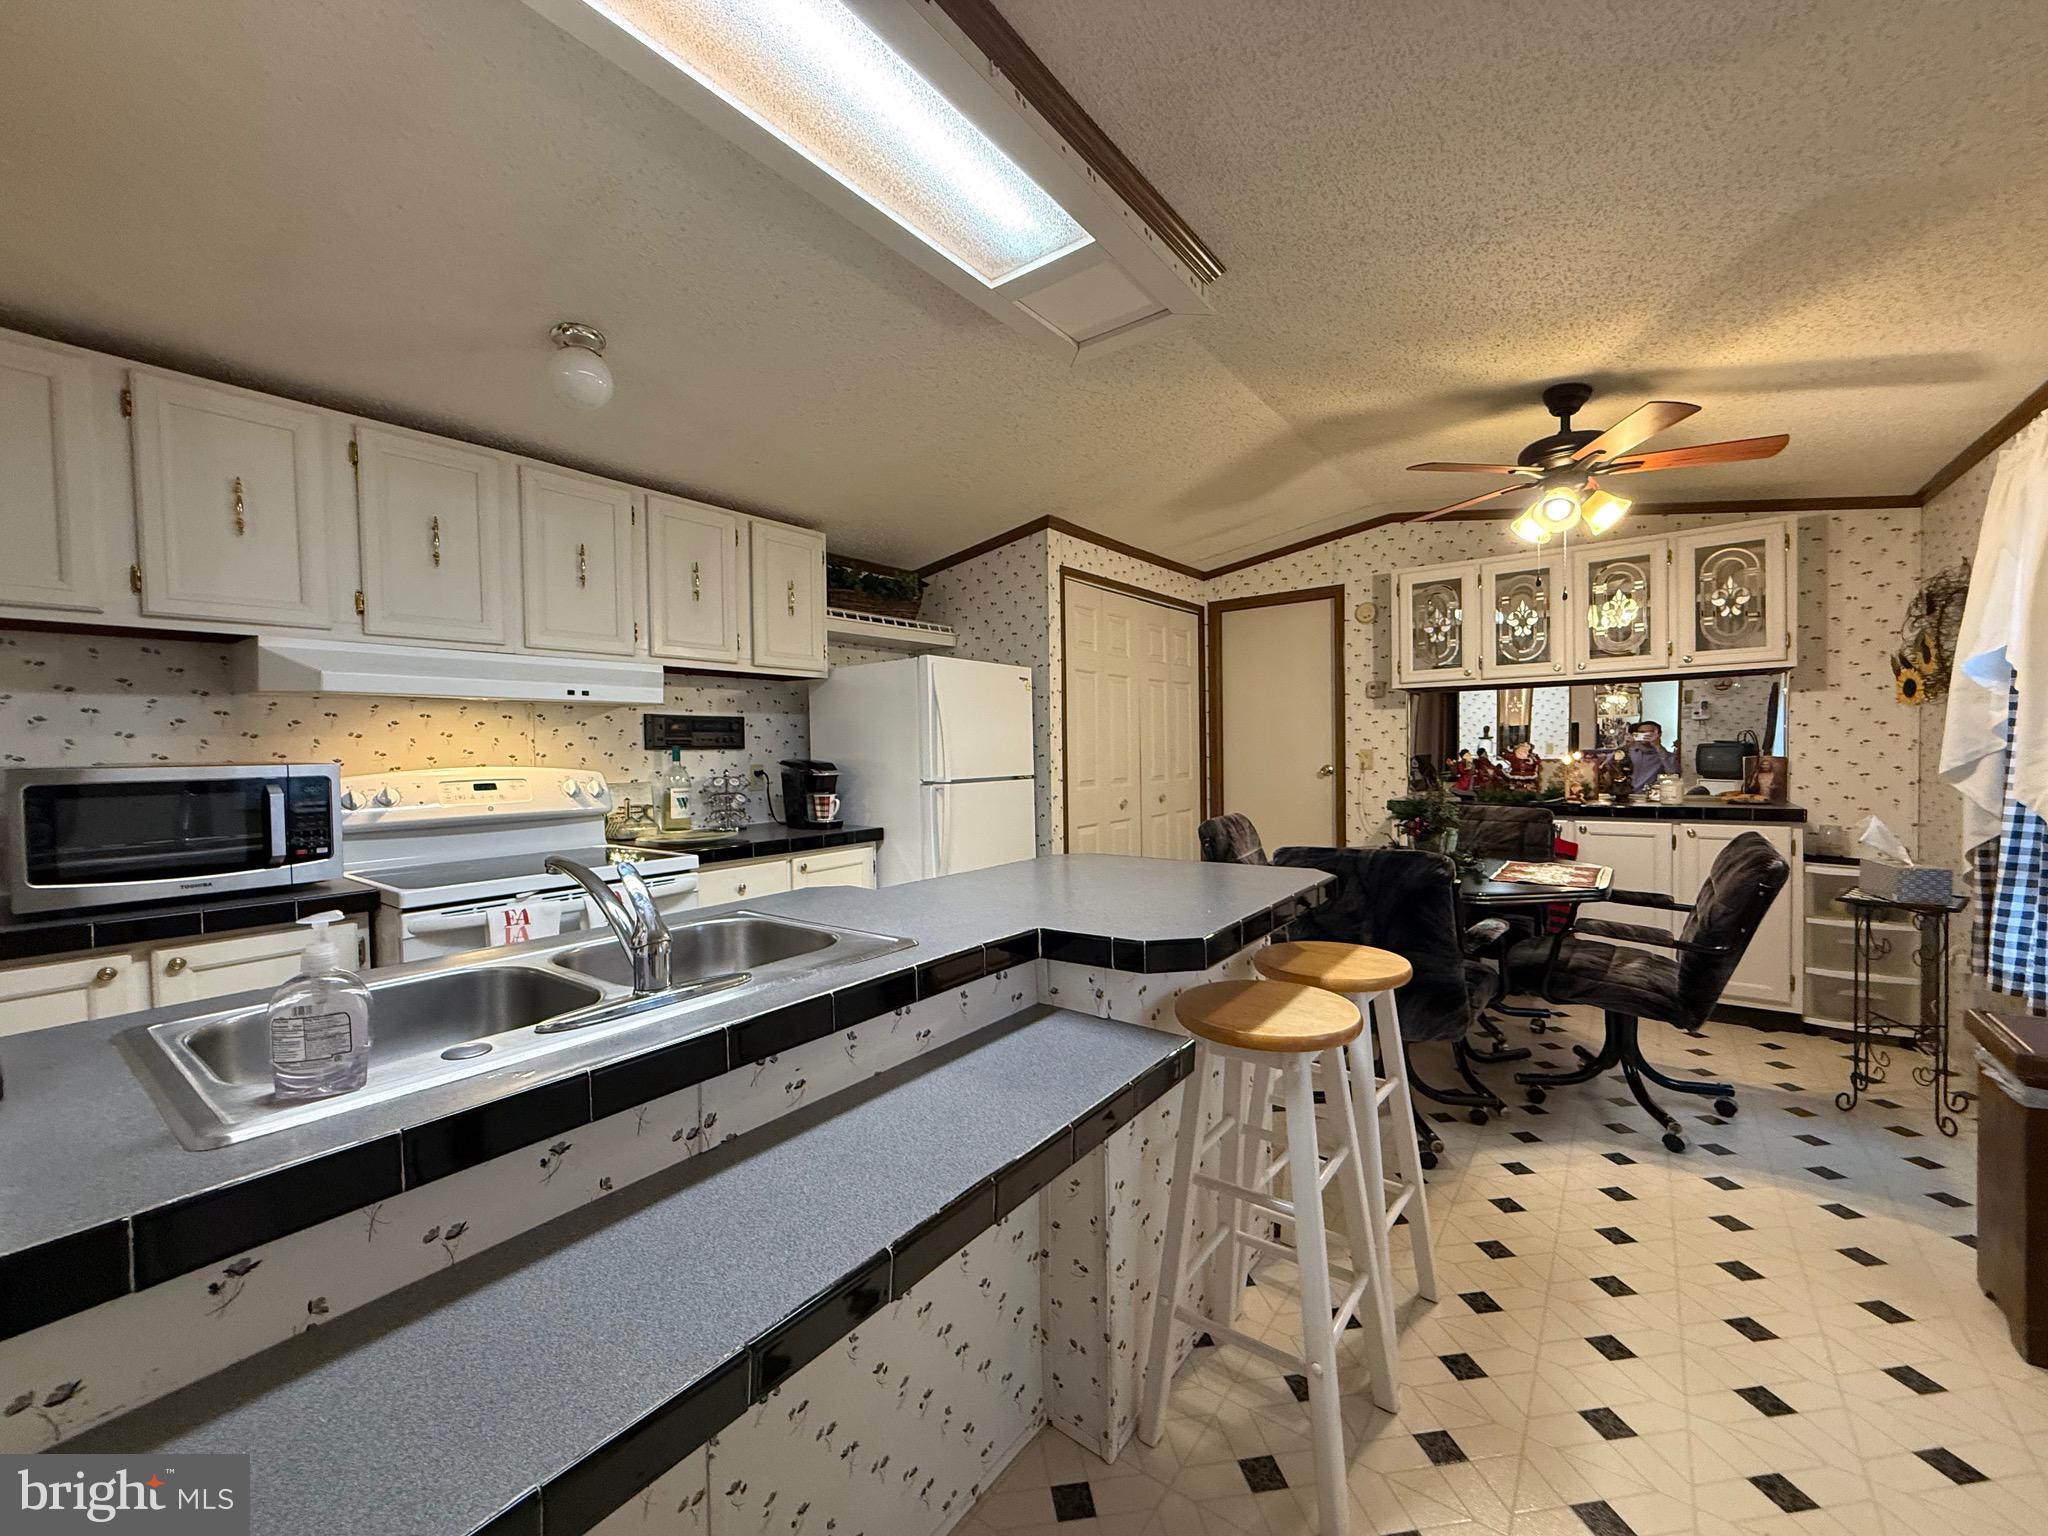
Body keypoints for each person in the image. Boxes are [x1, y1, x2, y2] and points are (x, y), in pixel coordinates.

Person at [1620, 720, 1680, 790]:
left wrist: (1657, 745)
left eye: (1649, 732)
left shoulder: (1665, 755)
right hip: (1625, 794)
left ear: (1659, 734)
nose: (1645, 735)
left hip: (1649, 794)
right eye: (1641, 732)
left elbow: (1673, 773)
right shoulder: (1628, 752)